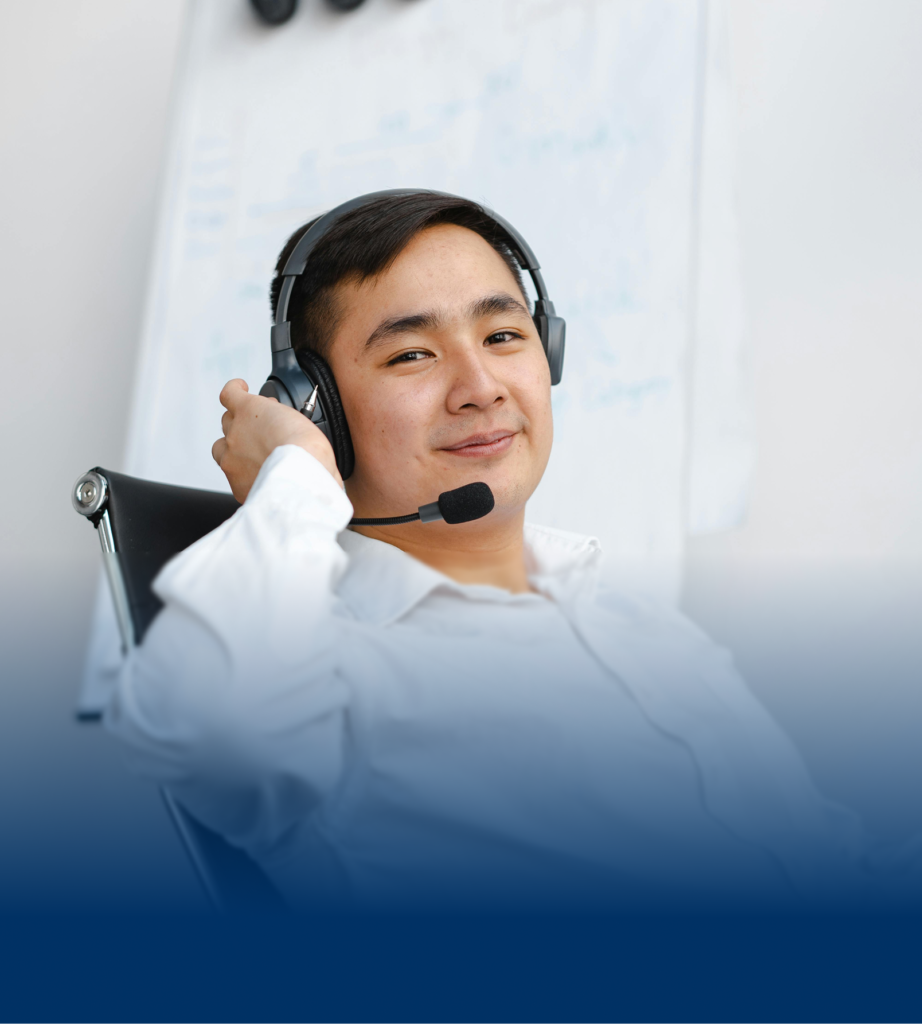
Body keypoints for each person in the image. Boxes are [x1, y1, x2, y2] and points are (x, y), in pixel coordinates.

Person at [105, 191, 913, 913]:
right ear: (317, 407)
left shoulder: (646, 634)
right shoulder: (319, 668)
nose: (480, 384)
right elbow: (198, 730)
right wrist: (296, 479)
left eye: (502, 334)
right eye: (411, 354)